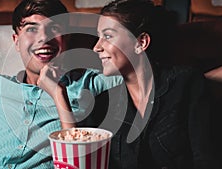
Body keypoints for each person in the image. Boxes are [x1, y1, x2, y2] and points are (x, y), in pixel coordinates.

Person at [0, 0, 122, 168]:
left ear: (67, 38)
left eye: (54, 29)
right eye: (31, 29)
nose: (44, 38)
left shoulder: (90, 84)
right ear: (16, 40)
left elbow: (142, 72)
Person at [90, 0, 212, 169]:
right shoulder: (103, 103)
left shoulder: (186, 83)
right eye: (98, 37)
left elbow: (206, 159)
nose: (96, 47)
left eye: (108, 36)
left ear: (141, 43)